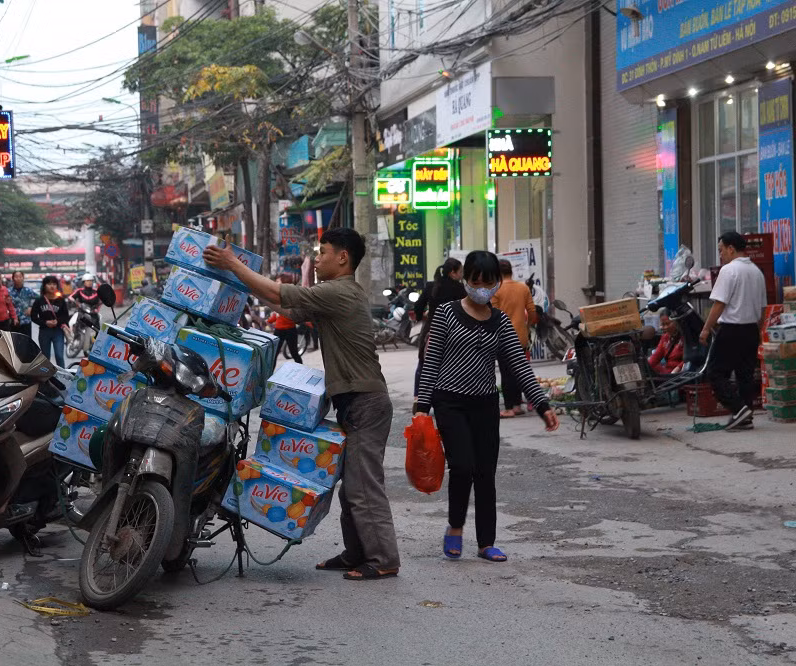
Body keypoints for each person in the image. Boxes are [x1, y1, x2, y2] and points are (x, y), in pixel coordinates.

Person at [204, 228, 400, 581]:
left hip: (366, 401)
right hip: (355, 401)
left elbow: (280, 292)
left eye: (323, 252)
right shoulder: (334, 296)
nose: (318, 258)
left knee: (363, 486)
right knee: (353, 485)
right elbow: (286, 308)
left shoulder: (340, 291)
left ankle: (383, 558)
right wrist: (242, 279)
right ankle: (357, 552)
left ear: (343, 257)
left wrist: (234, 264)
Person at [416, 251, 559, 563]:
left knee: (485, 473)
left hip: (484, 403)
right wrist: (421, 404)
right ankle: (455, 527)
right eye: (475, 281)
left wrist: (541, 403)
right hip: (449, 401)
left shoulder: (500, 322)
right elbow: (431, 361)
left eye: (487, 282)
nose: (481, 287)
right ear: (466, 280)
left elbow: (519, 366)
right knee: (463, 465)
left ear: (496, 283)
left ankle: (486, 542)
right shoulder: (446, 314)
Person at [699, 231, 767, 430]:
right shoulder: (757, 272)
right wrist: (760, 331)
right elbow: (762, 308)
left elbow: (719, 304)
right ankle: (745, 416)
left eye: (721, 250)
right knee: (745, 375)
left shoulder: (729, 270)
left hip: (731, 330)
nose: (720, 255)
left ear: (731, 248)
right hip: (751, 330)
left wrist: (705, 329)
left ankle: (738, 409)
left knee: (715, 373)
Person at [413, 258, 466, 399]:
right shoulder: (460, 289)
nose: (462, 275)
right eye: (460, 272)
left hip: (432, 329)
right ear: (453, 273)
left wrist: (421, 317)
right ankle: (451, 393)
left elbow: (418, 306)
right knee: (453, 364)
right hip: (454, 331)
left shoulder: (431, 286)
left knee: (424, 362)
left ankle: (418, 397)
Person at [491, 259, 538, 418]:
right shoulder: (523, 288)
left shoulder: (496, 290)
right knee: (518, 370)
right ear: (511, 271)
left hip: (503, 337)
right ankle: (518, 405)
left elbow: (493, 315)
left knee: (506, 372)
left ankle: (509, 408)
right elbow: (532, 311)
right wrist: (528, 325)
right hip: (521, 336)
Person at [31, 275, 71, 365]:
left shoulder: (61, 300)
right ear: (44, 286)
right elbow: (33, 317)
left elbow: (66, 316)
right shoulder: (39, 300)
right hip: (44, 331)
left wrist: (58, 321)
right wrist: (45, 323)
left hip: (58, 331)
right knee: (45, 357)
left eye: (54, 284)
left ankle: (63, 377)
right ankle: (46, 378)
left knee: (59, 356)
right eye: (49, 284)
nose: (52, 286)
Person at [267, 276, 302, 363]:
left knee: (294, 353)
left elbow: (289, 314)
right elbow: (277, 315)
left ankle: (302, 370)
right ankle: (269, 375)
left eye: (278, 281)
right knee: (274, 354)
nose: (276, 282)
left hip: (290, 329)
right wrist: (270, 320)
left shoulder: (290, 297)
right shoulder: (277, 296)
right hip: (279, 329)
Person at [648, 308, 684, 374]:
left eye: (668, 324)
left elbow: (689, 359)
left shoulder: (685, 337)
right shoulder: (665, 337)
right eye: (663, 325)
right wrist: (646, 367)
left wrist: (678, 368)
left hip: (680, 374)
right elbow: (656, 356)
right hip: (667, 373)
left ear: (676, 321)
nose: (665, 327)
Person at [9, 271, 37, 338]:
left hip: (26, 320)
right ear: (13, 279)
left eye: (20, 277)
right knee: (14, 342)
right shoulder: (8, 291)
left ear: (23, 278)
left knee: (26, 342)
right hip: (13, 321)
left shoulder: (28, 291)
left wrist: (32, 308)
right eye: (16, 277)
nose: (18, 278)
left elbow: (39, 299)